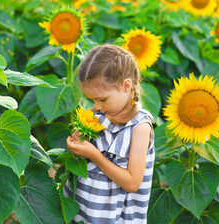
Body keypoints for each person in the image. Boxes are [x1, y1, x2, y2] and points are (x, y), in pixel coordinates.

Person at [64, 44, 155, 224]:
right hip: (85, 210)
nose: (96, 106)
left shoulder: (140, 128)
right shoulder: (100, 112)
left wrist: (94, 155)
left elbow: (132, 183)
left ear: (126, 86)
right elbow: (83, 132)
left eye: (102, 99)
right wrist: (77, 138)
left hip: (116, 216)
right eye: (92, 100)